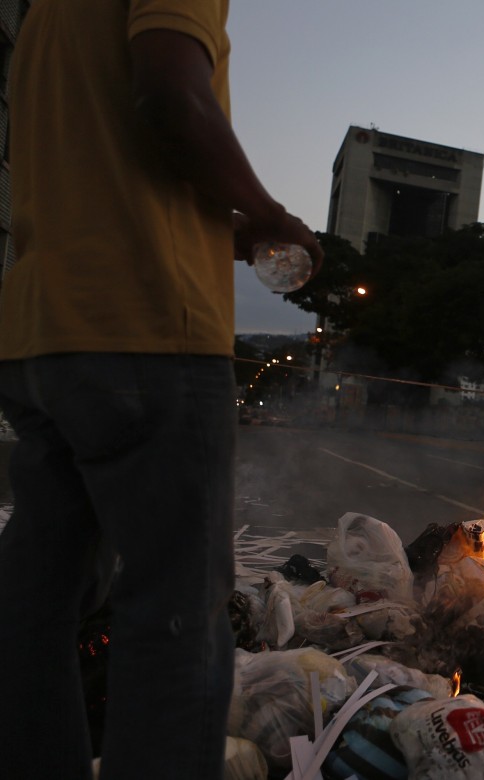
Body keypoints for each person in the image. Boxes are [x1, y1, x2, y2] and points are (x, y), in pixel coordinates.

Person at [0, 3, 324, 779]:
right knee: (173, 615)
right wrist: (270, 213)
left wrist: (223, 221)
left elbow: (105, 153)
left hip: (41, 331)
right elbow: (170, 99)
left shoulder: (45, 14)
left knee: (35, 605)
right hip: (145, 324)